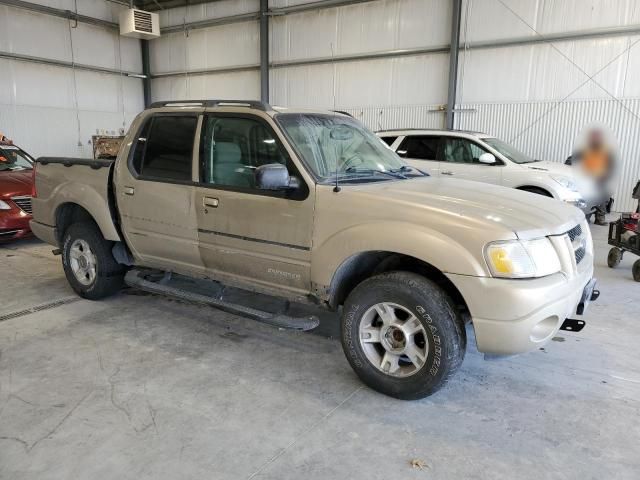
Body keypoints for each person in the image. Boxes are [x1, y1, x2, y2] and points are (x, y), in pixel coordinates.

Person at [572, 129, 614, 226]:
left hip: (600, 179)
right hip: (586, 179)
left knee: (604, 199)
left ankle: (599, 219)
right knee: (586, 199)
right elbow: (571, 161)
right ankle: (584, 218)